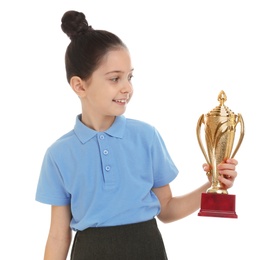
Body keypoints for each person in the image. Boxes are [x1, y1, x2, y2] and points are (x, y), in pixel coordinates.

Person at [35, 10, 239, 260]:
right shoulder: (59, 155)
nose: (127, 88)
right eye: (115, 78)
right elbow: (58, 235)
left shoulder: (146, 137)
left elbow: (166, 210)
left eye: (130, 77)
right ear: (80, 85)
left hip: (147, 250)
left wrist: (212, 185)